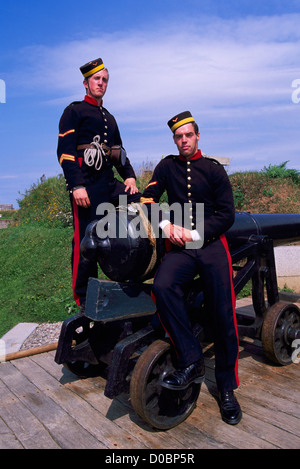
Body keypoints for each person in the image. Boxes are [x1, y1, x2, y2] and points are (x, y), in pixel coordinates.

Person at [140, 111, 242, 425]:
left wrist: (196, 234)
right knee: (162, 287)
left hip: (209, 245)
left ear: (197, 136)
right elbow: (147, 199)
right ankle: (192, 357)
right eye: (178, 137)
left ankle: (226, 389)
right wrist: (168, 225)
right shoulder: (166, 166)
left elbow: (227, 215)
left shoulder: (213, 170)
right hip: (180, 248)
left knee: (223, 313)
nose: (183, 141)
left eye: (188, 135)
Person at [57, 58, 140, 310]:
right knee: (87, 240)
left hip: (108, 182)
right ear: (86, 83)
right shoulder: (74, 111)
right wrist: (76, 185)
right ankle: (84, 298)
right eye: (97, 79)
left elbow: (118, 151)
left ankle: (135, 276)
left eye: (105, 80)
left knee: (140, 205)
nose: (101, 83)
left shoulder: (109, 117)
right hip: (86, 184)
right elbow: (65, 153)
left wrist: (129, 176)